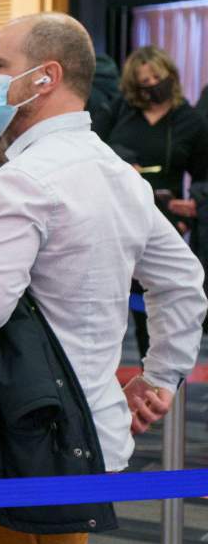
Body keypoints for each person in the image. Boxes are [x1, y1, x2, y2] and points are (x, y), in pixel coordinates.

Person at [0, 13, 206, 544]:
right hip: (77, 431)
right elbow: (185, 283)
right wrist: (158, 378)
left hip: (32, 438)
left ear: (44, 77)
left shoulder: (27, 178)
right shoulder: (114, 173)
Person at [91, 45, 208, 357]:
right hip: (113, 216)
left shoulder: (191, 121)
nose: (153, 85)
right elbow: (90, 147)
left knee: (153, 304)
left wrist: (195, 201)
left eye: (158, 77)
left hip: (164, 220)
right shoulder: (119, 111)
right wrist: (120, 163)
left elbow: (202, 175)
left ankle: (153, 370)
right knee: (106, 303)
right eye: (144, 81)